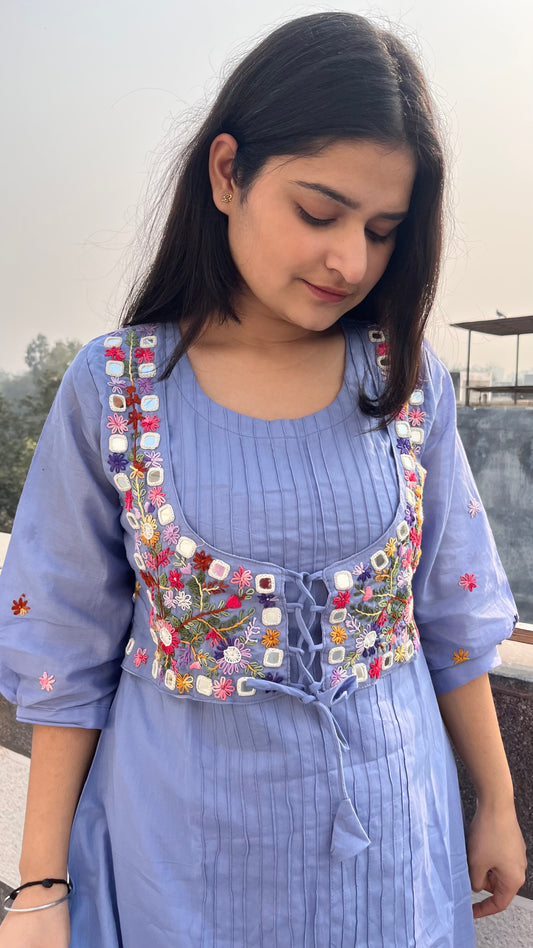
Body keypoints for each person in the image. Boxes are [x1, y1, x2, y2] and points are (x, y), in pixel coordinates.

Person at [0, 11, 526, 948]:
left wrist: (494, 801)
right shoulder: (116, 389)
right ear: (226, 172)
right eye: (318, 213)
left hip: (393, 859)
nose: (349, 260)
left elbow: (450, 615)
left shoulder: (405, 383)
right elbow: (63, 654)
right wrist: (41, 886)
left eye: (381, 230)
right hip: (181, 862)